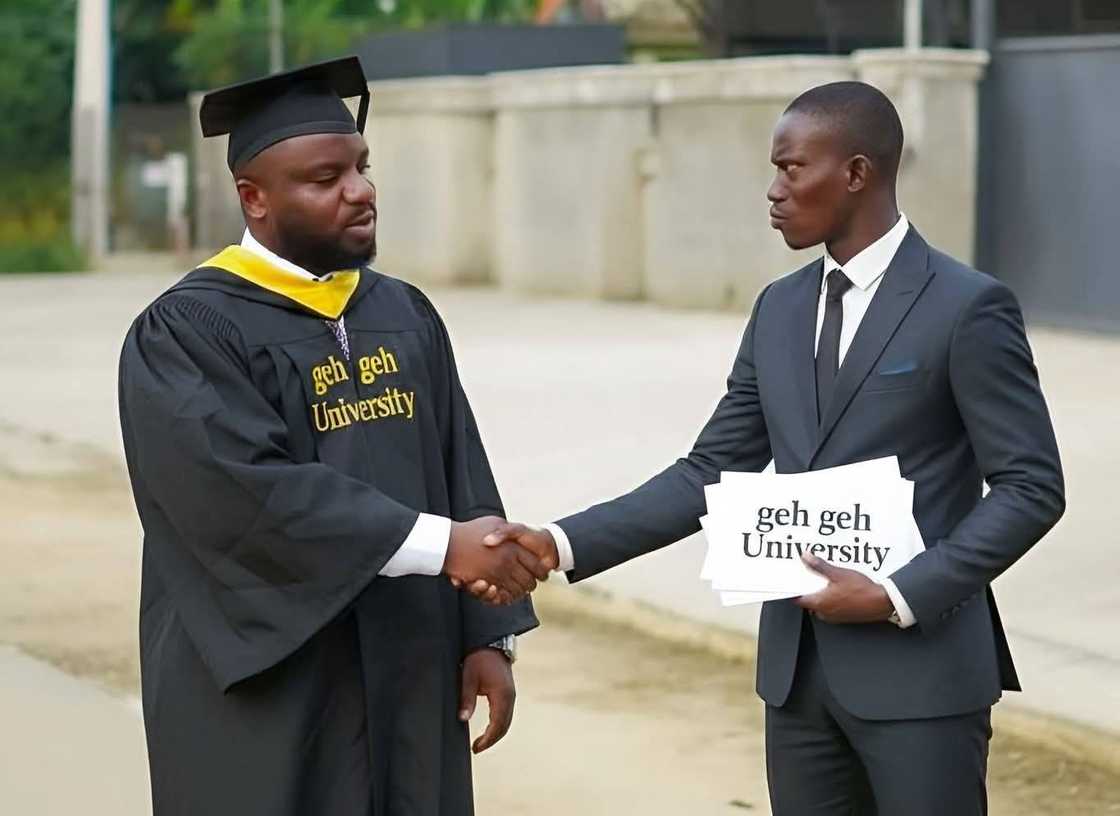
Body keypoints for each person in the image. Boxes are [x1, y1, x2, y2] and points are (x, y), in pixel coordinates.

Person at [484, 81, 1065, 814]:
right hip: (797, 682)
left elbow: (1031, 486)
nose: (774, 190)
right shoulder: (779, 309)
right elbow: (709, 472)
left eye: (792, 169)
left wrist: (896, 595)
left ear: (856, 173)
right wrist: (558, 544)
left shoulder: (967, 306)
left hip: (924, 681)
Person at [118, 57, 547, 816]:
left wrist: (488, 633)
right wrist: (440, 545)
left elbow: (460, 470)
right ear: (253, 198)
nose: (361, 191)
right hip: (275, 678)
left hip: (411, 662)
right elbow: (242, 497)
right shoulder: (186, 331)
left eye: (362, 167)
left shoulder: (402, 312)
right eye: (325, 179)